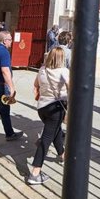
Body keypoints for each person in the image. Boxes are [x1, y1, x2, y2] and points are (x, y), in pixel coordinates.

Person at [28, 47, 69, 185]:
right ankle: (35, 172)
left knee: (55, 131)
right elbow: (72, 89)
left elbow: (35, 86)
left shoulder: (42, 70)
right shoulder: (64, 72)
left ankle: (63, 155)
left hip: (42, 108)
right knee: (46, 139)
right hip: (56, 109)